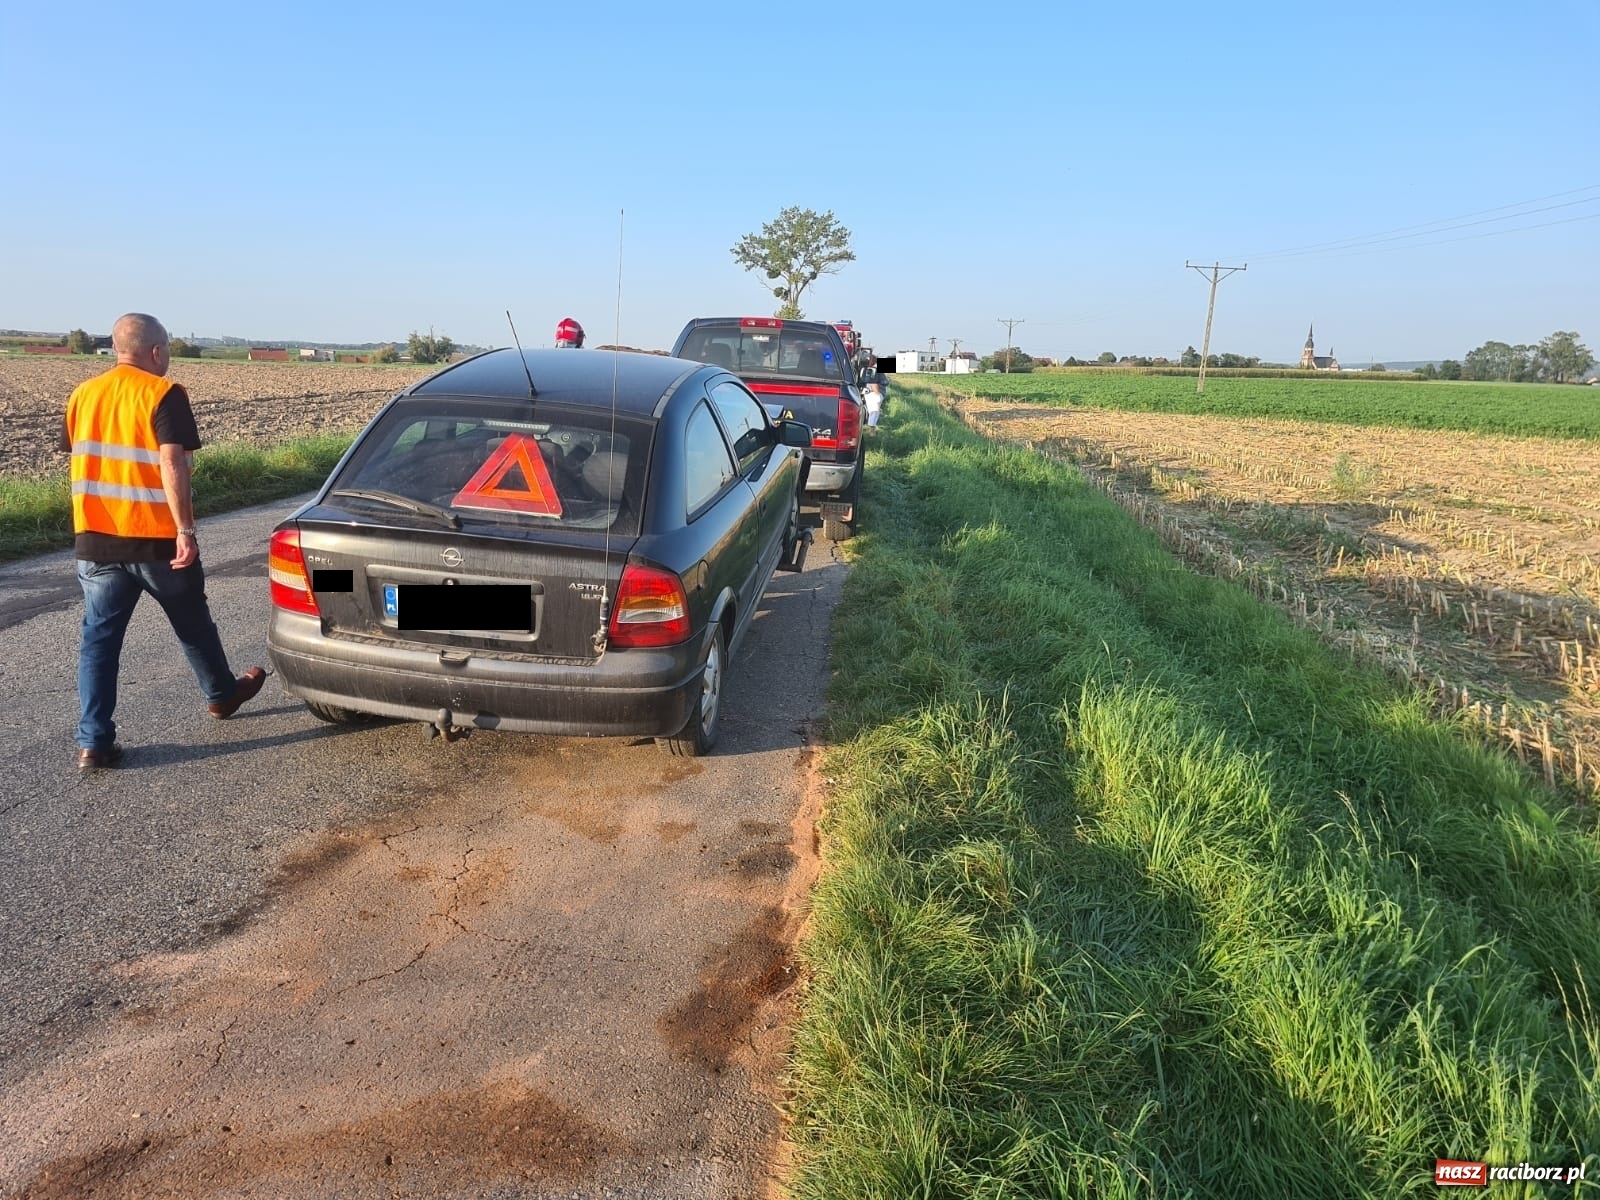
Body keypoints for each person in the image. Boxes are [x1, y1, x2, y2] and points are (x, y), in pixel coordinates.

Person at [62, 313, 266, 770]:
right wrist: (185, 531)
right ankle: (220, 694)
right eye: (168, 350)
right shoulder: (163, 393)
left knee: (98, 641)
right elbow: (171, 465)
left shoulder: (82, 395)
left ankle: (93, 742)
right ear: (155, 351)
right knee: (193, 623)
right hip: (155, 539)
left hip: (95, 540)